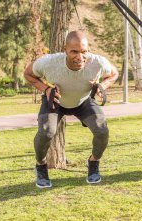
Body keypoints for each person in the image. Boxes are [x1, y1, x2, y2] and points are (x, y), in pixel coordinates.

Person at [24, 31, 118, 187]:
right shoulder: (49, 62)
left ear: (88, 50)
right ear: (65, 49)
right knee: (46, 132)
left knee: (102, 130)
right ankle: (41, 166)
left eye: (84, 52)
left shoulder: (98, 62)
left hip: (83, 101)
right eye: (74, 51)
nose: (79, 57)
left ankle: (93, 163)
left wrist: (102, 86)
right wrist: (46, 89)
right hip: (55, 101)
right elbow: (28, 74)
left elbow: (114, 73)